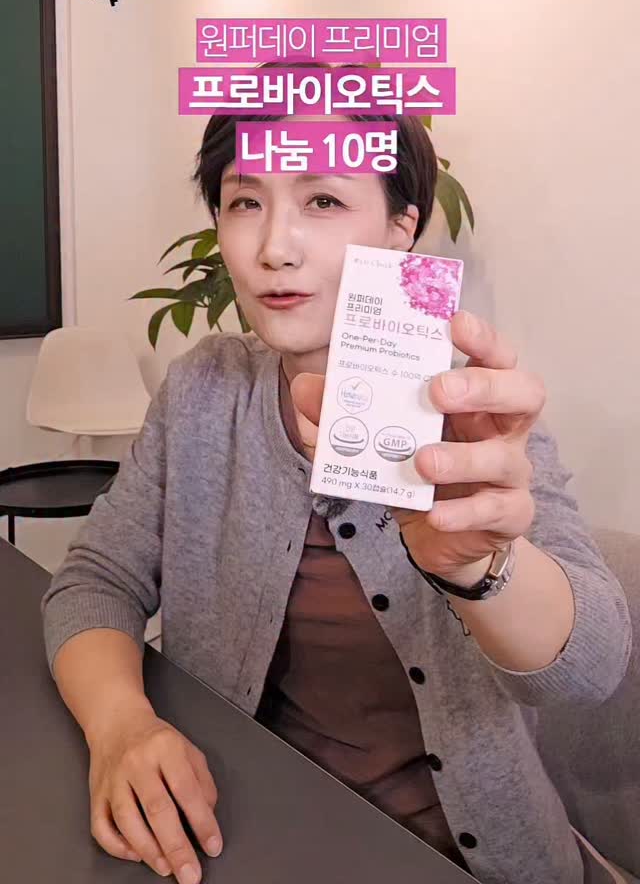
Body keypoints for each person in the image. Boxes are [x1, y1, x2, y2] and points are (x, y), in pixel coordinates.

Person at [41, 91, 634, 884]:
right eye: (245, 202)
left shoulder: (472, 425)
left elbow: (589, 669)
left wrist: (478, 568)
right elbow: (95, 578)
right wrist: (122, 726)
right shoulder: (204, 391)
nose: (274, 248)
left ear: (400, 227)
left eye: (323, 200)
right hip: (245, 833)